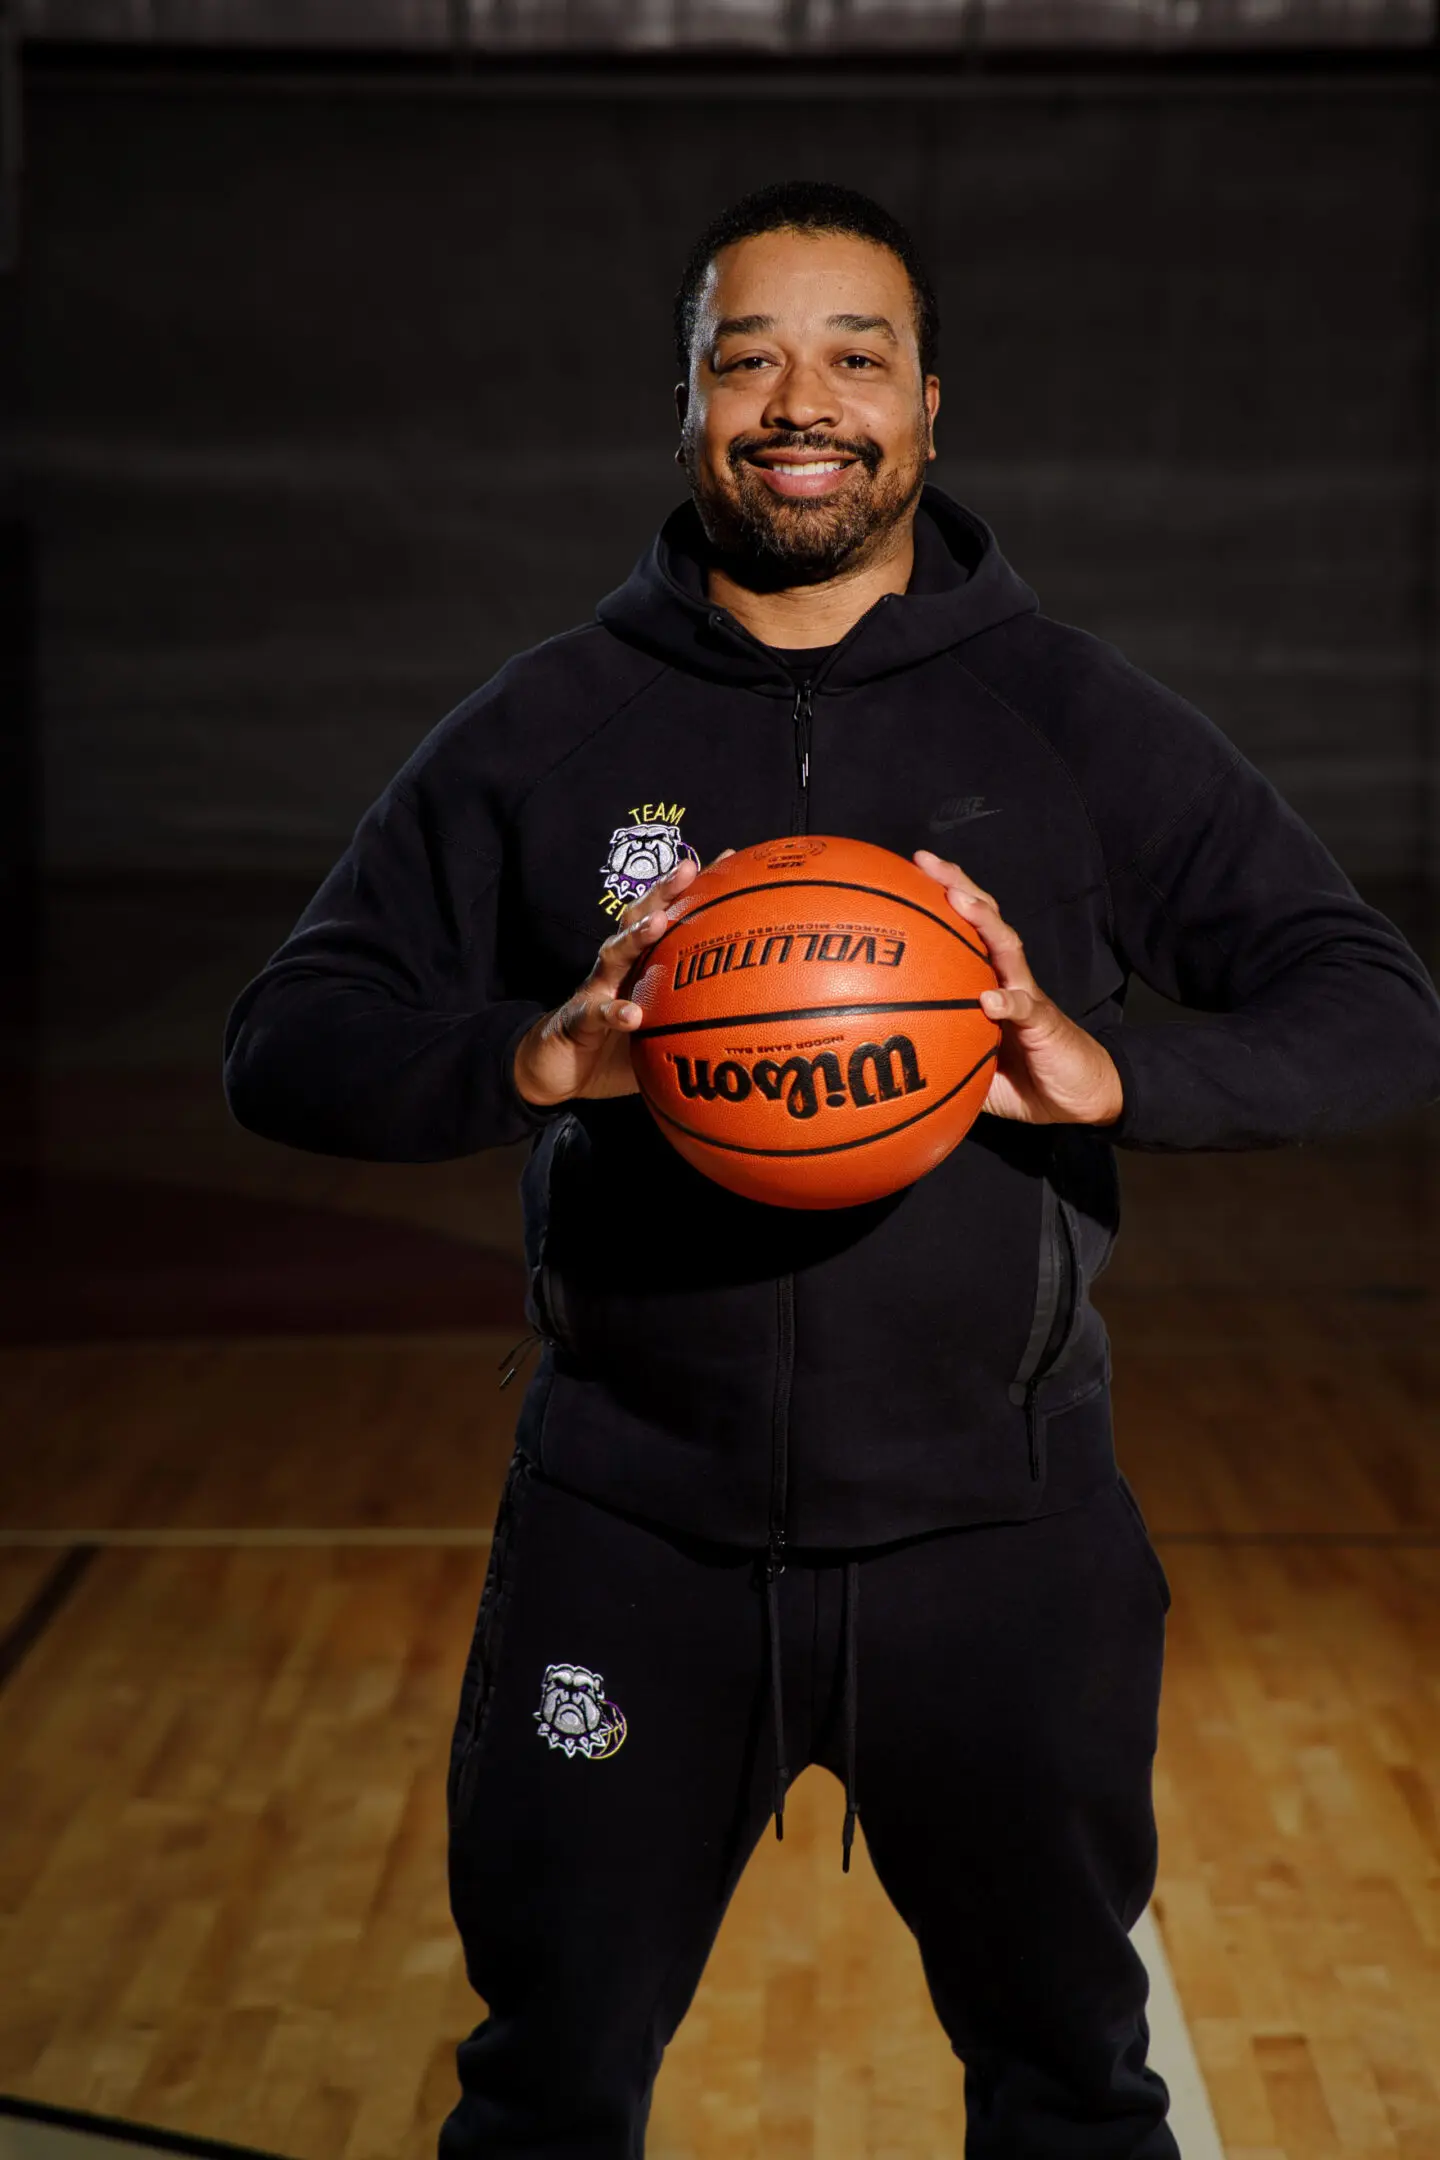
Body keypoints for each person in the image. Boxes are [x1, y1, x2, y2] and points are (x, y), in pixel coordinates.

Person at [224, 181, 1440, 2159]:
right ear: (691, 406)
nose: (804, 400)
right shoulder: (548, 727)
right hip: (631, 1526)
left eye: (855, 355)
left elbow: (1376, 1001)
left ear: (931, 410)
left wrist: (1099, 1068)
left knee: (1072, 2091)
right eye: (749, 355)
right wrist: (535, 1053)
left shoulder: (1073, 721)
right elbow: (286, 1040)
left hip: (998, 1541)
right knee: (542, 2093)